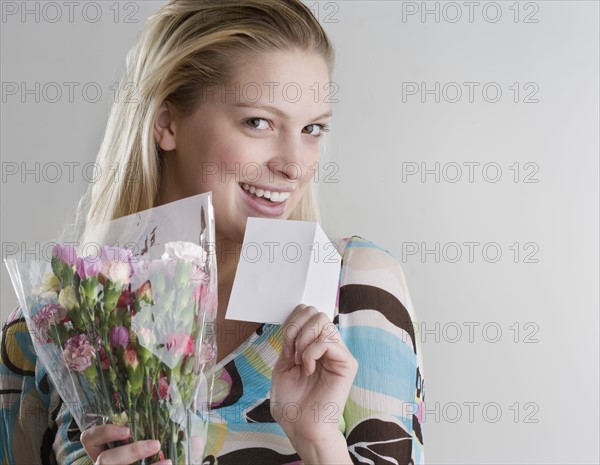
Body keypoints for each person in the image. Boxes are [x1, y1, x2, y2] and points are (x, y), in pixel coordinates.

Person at [0, 1, 425, 464]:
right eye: (258, 122)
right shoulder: (51, 326)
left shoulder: (354, 288)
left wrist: (322, 444)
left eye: (312, 128)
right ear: (167, 124)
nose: (294, 164)